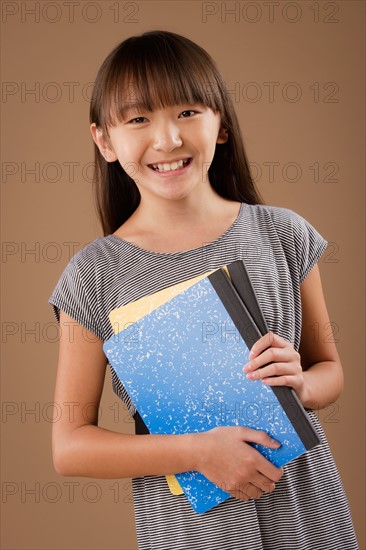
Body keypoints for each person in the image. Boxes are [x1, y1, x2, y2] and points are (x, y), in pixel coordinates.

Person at [48, 30, 358, 550]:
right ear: (104, 141)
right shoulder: (93, 276)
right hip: (193, 531)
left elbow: (330, 371)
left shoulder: (281, 234)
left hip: (308, 510)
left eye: (188, 112)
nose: (167, 139)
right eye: (139, 119)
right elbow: (70, 447)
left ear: (221, 124)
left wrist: (302, 385)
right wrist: (196, 451)